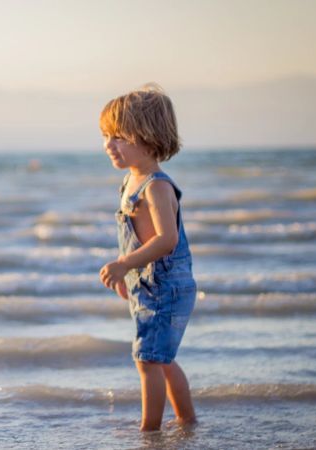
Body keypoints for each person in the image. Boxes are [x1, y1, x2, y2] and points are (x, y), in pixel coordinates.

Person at [97, 84, 197, 432]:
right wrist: (128, 274)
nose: (109, 144)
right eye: (106, 136)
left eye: (119, 136)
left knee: (148, 360)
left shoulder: (156, 186)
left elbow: (166, 240)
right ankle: (186, 421)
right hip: (147, 284)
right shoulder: (129, 182)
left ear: (148, 138)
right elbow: (134, 239)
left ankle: (149, 431)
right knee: (161, 359)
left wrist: (125, 264)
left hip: (166, 285)